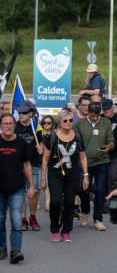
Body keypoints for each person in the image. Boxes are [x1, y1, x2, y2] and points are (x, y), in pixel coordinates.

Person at [0, 113, 35, 264]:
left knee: (16, 220)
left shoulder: (22, 143)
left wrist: (31, 186)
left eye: (11, 123)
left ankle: (15, 250)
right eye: (5, 124)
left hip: (17, 188)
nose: (8, 126)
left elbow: (27, 165)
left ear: (15, 125)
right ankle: (1, 249)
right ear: (0, 126)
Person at [41, 110, 88, 242]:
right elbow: (45, 159)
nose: (68, 123)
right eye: (65, 121)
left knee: (69, 203)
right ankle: (55, 229)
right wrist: (43, 178)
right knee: (55, 202)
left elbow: (83, 157)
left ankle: (66, 231)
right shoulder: (52, 138)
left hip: (72, 174)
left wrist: (85, 175)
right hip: (55, 173)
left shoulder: (77, 136)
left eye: (70, 120)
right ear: (59, 123)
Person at [72, 102, 114, 230]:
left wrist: (108, 147)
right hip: (85, 161)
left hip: (102, 160)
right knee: (84, 189)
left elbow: (111, 140)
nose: (95, 118)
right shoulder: (79, 123)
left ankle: (98, 219)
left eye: (97, 115)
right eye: (92, 115)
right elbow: (73, 139)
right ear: (87, 113)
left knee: (101, 190)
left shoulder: (106, 123)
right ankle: (85, 212)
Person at [14, 100, 44, 232]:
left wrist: (41, 147)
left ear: (31, 113)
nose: (21, 115)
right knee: (20, 192)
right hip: (18, 164)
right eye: (20, 112)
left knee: (34, 192)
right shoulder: (14, 127)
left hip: (34, 163)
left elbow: (42, 143)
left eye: (24, 112)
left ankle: (32, 216)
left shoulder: (37, 127)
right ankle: (23, 219)